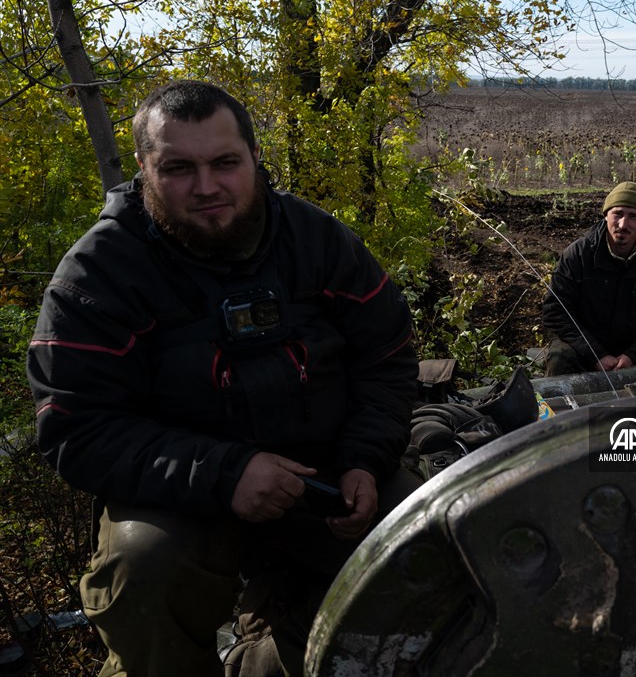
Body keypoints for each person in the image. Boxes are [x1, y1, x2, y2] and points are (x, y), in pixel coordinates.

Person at [25, 81, 420, 676]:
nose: (206, 187)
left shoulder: (317, 240)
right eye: (178, 168)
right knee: (141, 569)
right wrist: (224, 473)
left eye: (225, 163)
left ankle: (271, 646)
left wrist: (367, 456)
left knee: (426, 544)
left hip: (327, 478)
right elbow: (75, 427)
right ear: (143, 167)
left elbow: (386, 354)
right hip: (184, 497)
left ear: (255, 158)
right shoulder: (98, 273)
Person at [541, 181, 636, 376]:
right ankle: (560, 407)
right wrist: (596, 355)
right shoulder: (578, 254)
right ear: (606, 215)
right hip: (586, 348)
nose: (623, 225)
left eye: (633, 216)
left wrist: (633, 355)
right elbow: (555, 310)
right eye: (617, 214)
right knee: (560, 359)